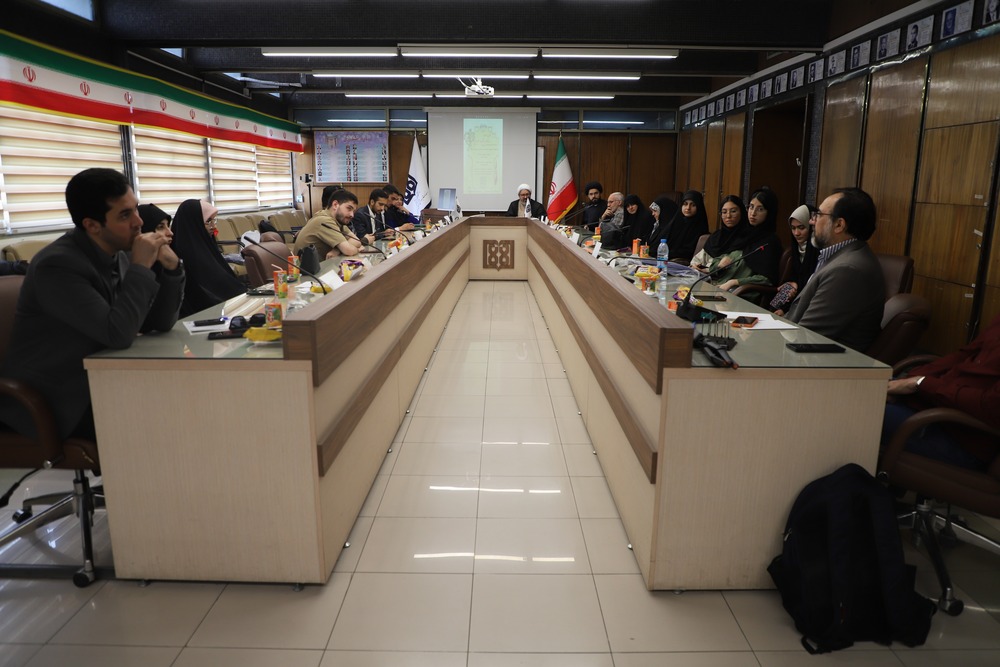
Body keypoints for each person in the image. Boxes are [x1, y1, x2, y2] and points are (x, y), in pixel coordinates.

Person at [0, 168, 184, 440]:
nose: (139, 222)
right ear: (92, 225)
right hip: (57, 401)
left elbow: (159, 323)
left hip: (104, 379)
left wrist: (172, 268)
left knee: (186, 396)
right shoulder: (57, 265)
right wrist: (141, 267)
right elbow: (117, 334)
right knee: (169, 420)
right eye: (125, 215)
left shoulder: (118, 253)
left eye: (135, 209)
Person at [883, 313, 1000, 470]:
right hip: (929, 406)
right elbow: (963, 355)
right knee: (861, 391)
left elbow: (991, 405)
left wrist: (921, 383)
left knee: (857, 411)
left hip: (958, 437)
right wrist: (904, 383)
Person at [785, 187, 885, 352]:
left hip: (820, 362)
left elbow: (806, 338)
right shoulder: (841, 257)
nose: (812, 221)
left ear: (839, 225)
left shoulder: (847, 270)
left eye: (818, 215)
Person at [170, 199, 245, 317]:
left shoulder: (206, 246)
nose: (214, 226)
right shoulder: (185, 255)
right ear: (194, 223)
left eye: (214, 220)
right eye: (208, 221)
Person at [690, 195, 770, 291]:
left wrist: (712, 270)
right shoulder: (716, 237)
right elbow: (699, 261)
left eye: (733, 211)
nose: (728, 216)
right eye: (724, 212)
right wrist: (699, 267)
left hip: (728, 289)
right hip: (707, 282)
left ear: (742, 212)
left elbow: (758, 275)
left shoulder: (747, 239)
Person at [770, 204, 820, 315]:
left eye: (801, 228)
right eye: (793, 228)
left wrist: (797, 285)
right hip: (794, 300)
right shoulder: (795, 249)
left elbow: (812, 282)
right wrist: (792, 284)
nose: (796, 233)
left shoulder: (819, 251)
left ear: (812, 227)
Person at [293, 186, 362, 259]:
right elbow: (349, 250)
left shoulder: (338, 220)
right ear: (335, 205)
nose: (352, 215)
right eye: (349, 208)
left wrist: (337, 250)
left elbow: (357, 241)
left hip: (323, 264)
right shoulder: (324, 220)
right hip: (306, 266)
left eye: (354, 211)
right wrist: (357, 249)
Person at [652, 190, 709, 262]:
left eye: (693, 205)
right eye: (685, 204)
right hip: (664, 260)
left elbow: (688, 252)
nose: (688, 208)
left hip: (681, 263)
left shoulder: (699, 227)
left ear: (698, 207)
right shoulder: (676, 221)